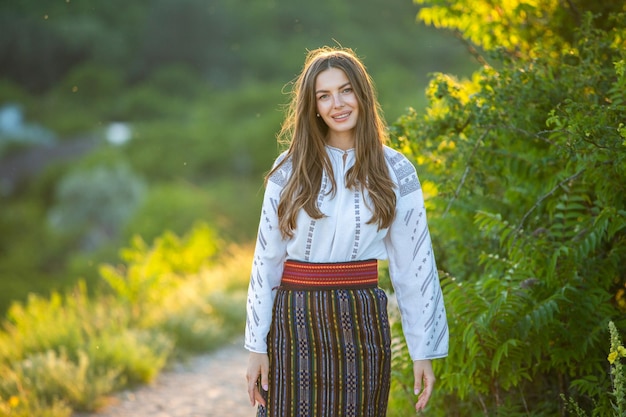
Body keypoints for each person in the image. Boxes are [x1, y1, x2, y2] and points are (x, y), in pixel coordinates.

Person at [244, 46, 448, 417]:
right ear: (313, 106)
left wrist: (424, 351)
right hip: (296, 320)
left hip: (361, 319)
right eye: (324, 95)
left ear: (362, 94)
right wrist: (257, 345)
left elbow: (414, 269)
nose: (337, 103)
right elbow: (267, 260)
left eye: (346, 90)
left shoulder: (395, 170)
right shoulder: (288, 169)